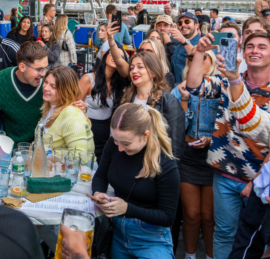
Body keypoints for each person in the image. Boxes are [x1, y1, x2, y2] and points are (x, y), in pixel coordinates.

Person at [188, 31, 270, 259]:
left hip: (263, 183)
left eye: (262, 47)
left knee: (260, 239)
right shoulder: (225, 82)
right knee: (224, 234)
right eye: (250, 46)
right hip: (225, 175)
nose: (255, 50)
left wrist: (255, 182)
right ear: (243, 53)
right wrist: (199, 53)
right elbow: (194, 86)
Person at [92, 104, 180, 259]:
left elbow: (167, 217)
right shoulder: (115, 143)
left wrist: (127, 209)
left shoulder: (165, 163)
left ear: (145, 135)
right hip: (117, 232)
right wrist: (98, 193)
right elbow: (101, 176)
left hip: (151, 238)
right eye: (116, 140)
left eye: (126, 144)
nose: (119, 148)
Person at [172, 49, 217, 259]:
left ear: (212, 60)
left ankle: (210, 256)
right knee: (191, 215)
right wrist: (184, 99)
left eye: (201, 56)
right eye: (190, 58)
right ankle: (189, 256)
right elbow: (178, 126)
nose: (195, 60)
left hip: (213, 159)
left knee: (209, 217)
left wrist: (212, 137)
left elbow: (228, 124)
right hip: (188, 157)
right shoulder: (178, 89)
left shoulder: (221, 87)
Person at [80, 22, 130, 161]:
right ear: (105, 56)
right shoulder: (88, 79)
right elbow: (74, 105)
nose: (115, 57)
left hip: (107, 134)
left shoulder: (119, 84)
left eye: (120, 56)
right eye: (113, 54)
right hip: (86, 129)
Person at [123, 51, 185, 161]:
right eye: (131, 68)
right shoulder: (126, 98)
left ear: (153, 72)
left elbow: (176, 143)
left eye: (140, 67)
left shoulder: (167, 101)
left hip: (156, 162)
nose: (134, 71)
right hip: (128, 158)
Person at [0, 42, 49, 143]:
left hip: (41, 148)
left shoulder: (49, 83)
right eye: (39, 69)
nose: (44, 73)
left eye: (46, 67)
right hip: (9, 149)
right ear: (22, 67)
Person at [39, 66, 93, 152]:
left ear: (65, 90)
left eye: (53, 86)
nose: (45, 87)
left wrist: (47, 153)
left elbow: (79, 155)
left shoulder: (72, 115)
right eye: (46, 82)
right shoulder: (50, 106)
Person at [238, 16, 270, 84]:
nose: (253, 35)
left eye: (259, 32)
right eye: (248, 32)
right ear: (242, 37)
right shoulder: (231, 62)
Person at [164, 12, 201, 84]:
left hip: (193, 91)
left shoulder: (203, 43)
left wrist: (184, 41)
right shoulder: (178, 46)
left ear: (197, 25)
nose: (183, 25)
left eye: (187, 21)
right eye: (180, 23)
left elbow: (201, 61)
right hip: (176, 90)